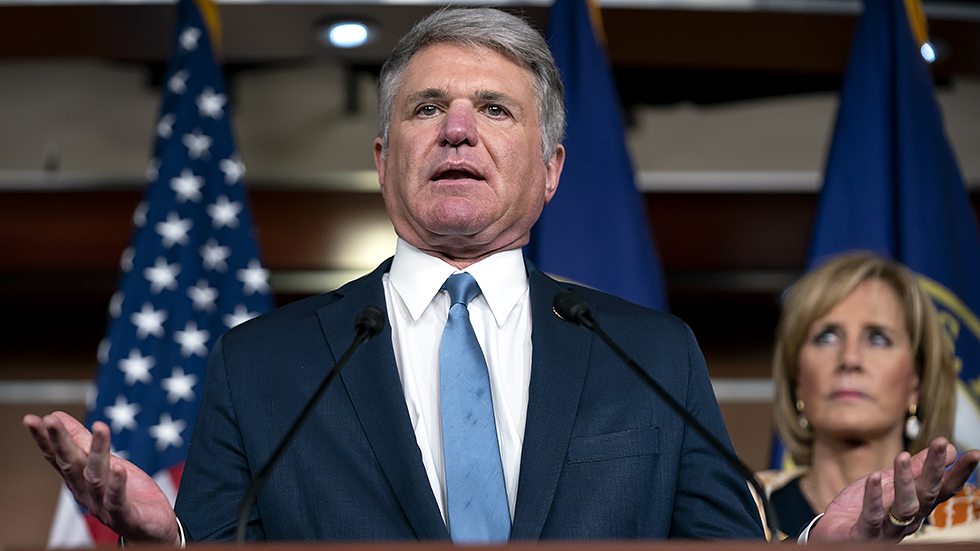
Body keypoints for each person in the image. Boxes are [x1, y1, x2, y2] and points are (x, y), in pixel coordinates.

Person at [24, 7, 979, 545]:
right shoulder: (260, 364)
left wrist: (819, 548)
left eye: (494, 108)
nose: (456, 127)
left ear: (553, 169)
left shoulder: (652, 354)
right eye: (428, 106)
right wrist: (167, 547)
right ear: (383, 154)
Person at [757, 252, 979, 540]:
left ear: (918, 382)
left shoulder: (972, 521)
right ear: (797, 380)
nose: (849, 359)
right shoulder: (742, 507)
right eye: (827, 337)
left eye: (878, 339)